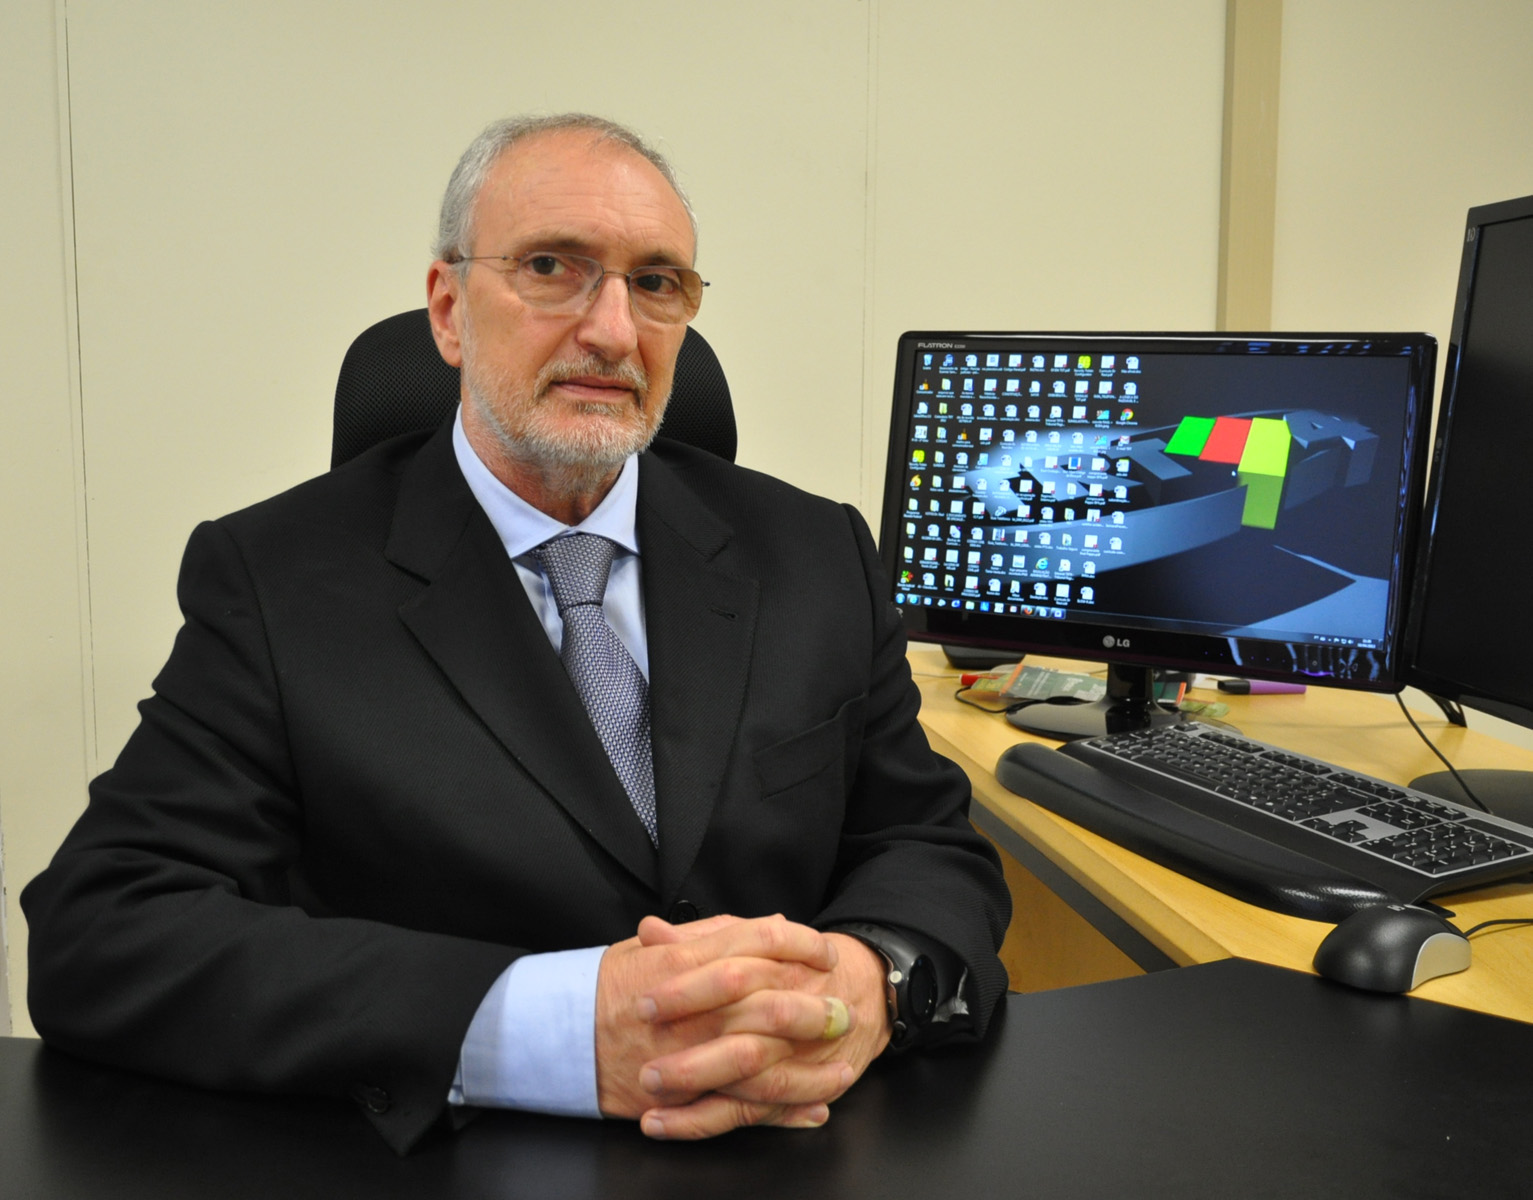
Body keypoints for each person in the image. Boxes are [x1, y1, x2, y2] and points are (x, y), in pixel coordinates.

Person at [22, 114, 1010, 1154]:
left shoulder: (817, 554)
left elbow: (925, 843)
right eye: (553, 268)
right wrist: (548, 1028)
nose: (614, 332)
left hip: (796, 1145)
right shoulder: (276, 582)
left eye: (659, 283)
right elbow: (103, 929)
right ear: (449, 311)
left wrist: (871, 980)